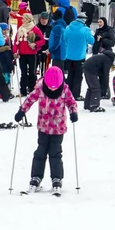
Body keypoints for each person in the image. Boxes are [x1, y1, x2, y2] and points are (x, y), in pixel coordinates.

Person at [15, 66, 78, 195]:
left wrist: (73, 112)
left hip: (58, 128)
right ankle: (36, 178)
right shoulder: (40, 87)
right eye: (50, 87)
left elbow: (71, 103)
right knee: (40, 152)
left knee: (55, 153)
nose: (52, 89)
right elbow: (30, 99)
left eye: (54, 87)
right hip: (43, 126)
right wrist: (22, 111)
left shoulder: (65, 89)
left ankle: (57, 179)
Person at [62, 7, 95, 100]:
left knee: (70, 75)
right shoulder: (85, 29)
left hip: (68, 57)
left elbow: (64, 40)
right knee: (78, 76)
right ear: (84, 20)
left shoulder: (68, 28)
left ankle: (67, 94)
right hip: (80, 57)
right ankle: (76, 95)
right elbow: (92, 41)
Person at [14, 13, 46, 96]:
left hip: (32, 54)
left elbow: (42, 40)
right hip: (22, 54)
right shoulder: (20, 29)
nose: (22, 20)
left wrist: (35, 44)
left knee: (32, 72)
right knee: (23, 73)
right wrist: (15, 51)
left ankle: (33, 90)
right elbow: (16, 42)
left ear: (28, 20)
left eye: (24, 19)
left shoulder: (35, 29)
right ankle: (23, 90)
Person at [48, 7, 67, 71]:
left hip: (58, 53)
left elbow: (57, 41)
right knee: (60, 72)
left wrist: (50, 49)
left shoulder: (57, 27)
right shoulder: (62, 26)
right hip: (62, 53)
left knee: (57, 73)